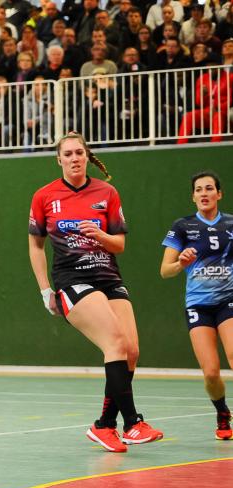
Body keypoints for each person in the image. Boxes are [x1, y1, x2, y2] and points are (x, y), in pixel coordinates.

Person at [27, 132, 162, 453]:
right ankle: (132, 423)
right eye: (68, 154)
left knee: (130, 351)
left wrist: (100, 234)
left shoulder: (107, 192)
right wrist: (45, 289)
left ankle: (103, 426)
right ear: (59, 159)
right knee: (114, 342)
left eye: (79, 153)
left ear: (88, 157)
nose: (74, 158)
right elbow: (35, 245)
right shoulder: (44, 196)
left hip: (108, 277)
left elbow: (120, 244)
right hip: (72, 279)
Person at [160, 171, 233, 440]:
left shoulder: (231, 225)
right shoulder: (183, 226)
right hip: (198, 305)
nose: (204, 193)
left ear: (219, 194)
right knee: (211, 372)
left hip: (229, 301)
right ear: (193, 196)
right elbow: (165, 271)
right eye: (199, 189)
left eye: (209, 188)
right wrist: (181, 262)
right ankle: (222, 411)